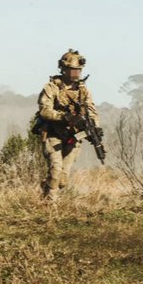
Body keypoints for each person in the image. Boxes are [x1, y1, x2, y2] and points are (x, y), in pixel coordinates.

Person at [32, 49, 102, 201]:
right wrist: (65, 117)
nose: (76, 73)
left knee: (62, 180)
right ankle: (50, 207)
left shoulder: (83, 90)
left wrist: (95, 127)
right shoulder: (51, 88)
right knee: (56, 170)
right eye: (72, 70)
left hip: (73, 137)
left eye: (78, 70)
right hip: (53, 134)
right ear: (63, 69)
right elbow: (44, 110)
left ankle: (47, 187)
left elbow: (91, 110)